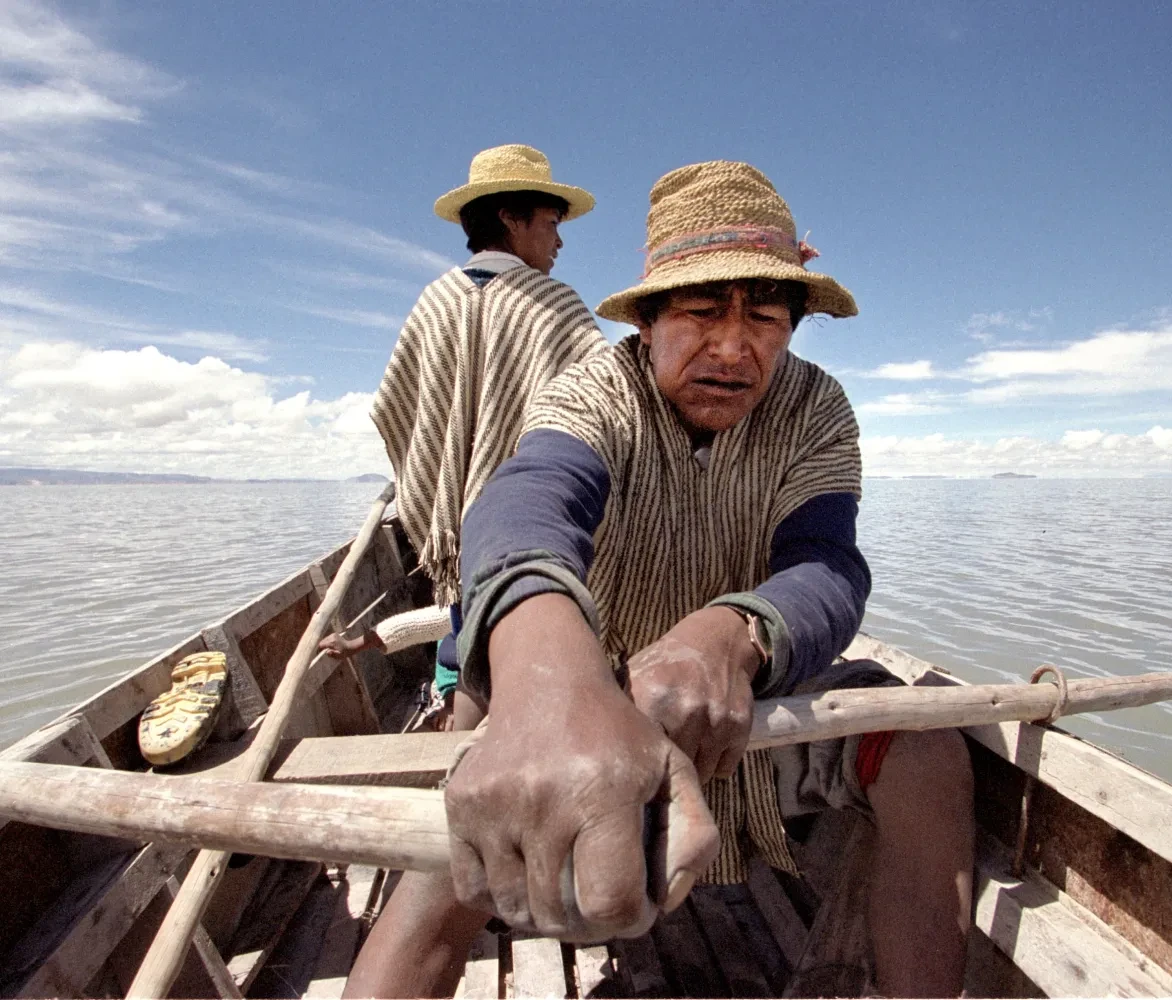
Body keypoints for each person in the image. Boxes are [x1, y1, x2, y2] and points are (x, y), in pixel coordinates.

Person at [445, 161, 975, 998]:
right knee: (478, 782)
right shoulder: (596, 392)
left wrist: (730, 634)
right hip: (596, 680)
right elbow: (526, 503)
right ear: (647, 321)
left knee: (926, 752)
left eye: (764, 317)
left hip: (751, 706)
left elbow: (826, 562)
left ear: (793, 326)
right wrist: (553, 684)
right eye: (699, 312)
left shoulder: (816, 408)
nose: (733, 347)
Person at [335, 145, 606, 998]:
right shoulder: (554, 306)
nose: (559, 239)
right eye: (551, 221)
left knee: (469, 658)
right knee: (521, 669)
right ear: (513, 219)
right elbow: (611, 407)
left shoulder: (434, 299)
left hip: (455, 535)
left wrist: (442, 482)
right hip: (541, 532)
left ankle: (466, 804)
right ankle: (508, 851)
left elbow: (395, 410)